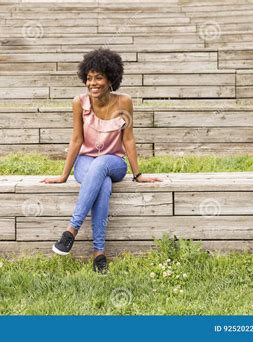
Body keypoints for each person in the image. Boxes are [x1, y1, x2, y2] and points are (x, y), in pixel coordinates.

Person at [40, 48, 162, 274]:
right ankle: (99, 253)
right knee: (102, 184)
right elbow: (76, 140)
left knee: (103, 164)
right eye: (89, 78)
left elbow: (129, 139)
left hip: (114, 162)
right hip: (85, 162)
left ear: (110, 79)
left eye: (98, 77)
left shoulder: (124, 102)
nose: (92, 83)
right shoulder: (79, 102)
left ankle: (71, 230)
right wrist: (63, 176)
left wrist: (138, 174)